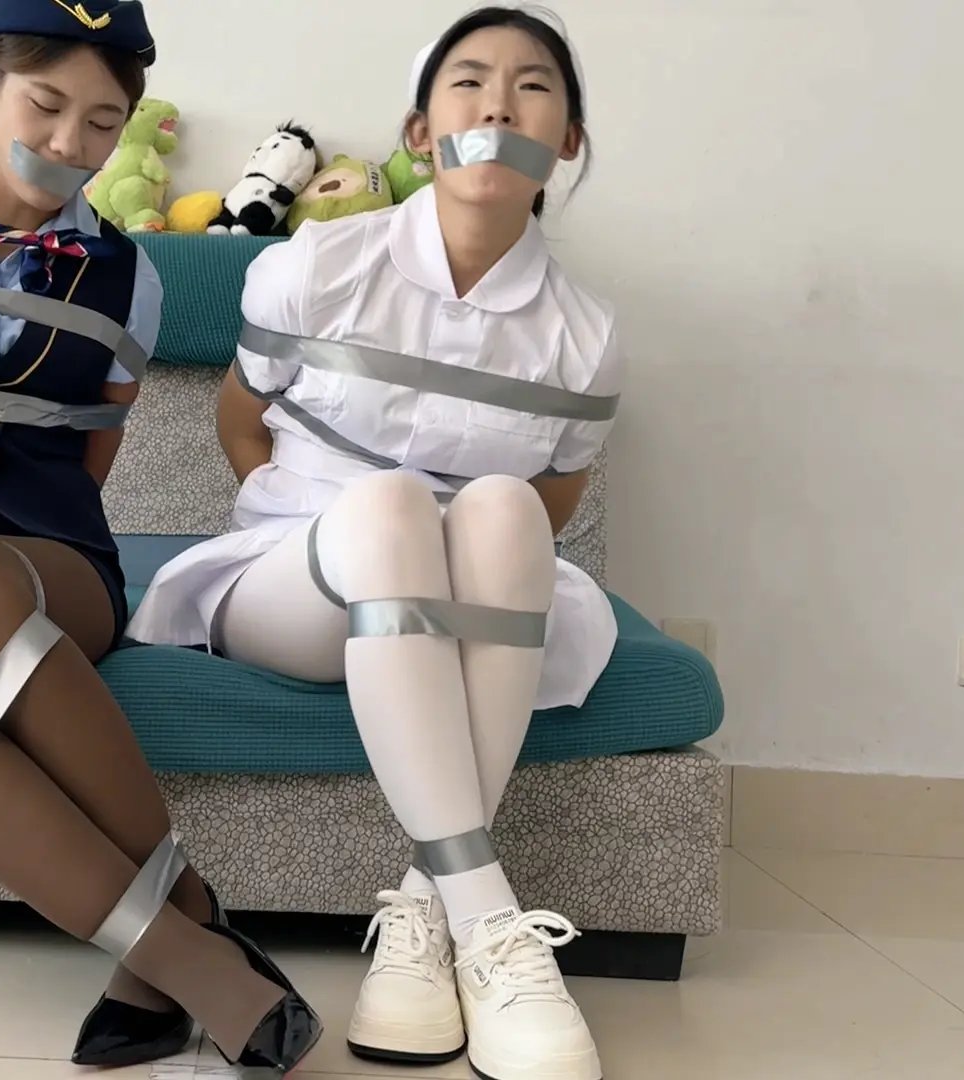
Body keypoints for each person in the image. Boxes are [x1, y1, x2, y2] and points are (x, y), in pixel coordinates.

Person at [0, 1, 319, 1072]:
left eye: (103, 123)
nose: (70, 144)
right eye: (45, 105)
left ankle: (184, 954)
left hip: (52, 563)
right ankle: (186, 942)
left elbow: (90, 458)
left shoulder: (132, 274)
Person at [126, 7, 618, 1079]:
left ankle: (421, 927)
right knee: (392, 507)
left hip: (470, 591)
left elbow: (553, 501)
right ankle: (493, 923)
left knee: (500, 509)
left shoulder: (585, 337)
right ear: (420, 131)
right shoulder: (319, 265)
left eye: (533, 87)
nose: (498, 107)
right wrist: (324, 523)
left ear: (569, 140)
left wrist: (453, 561)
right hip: (293, 580)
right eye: (469, 83)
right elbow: (241, 422)